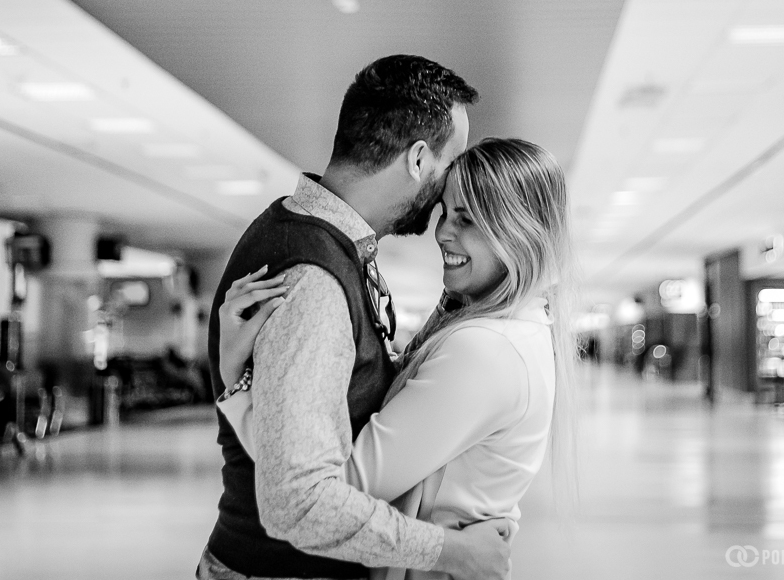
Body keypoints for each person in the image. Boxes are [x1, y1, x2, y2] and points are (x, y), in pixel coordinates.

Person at [199, 55, 508, 580]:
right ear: (417, 159)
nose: (448, 188)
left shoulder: (308, 233)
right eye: (450, 162)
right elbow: (297, 502)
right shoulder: (314, 281)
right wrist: (452, 552)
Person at [218, 138, 578, 580]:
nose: (442, 232)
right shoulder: (519, 329)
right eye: (446, 212)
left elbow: (328, 492)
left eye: (467, 219)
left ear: (519, 233)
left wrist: (238, 382)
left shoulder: (488, 349)